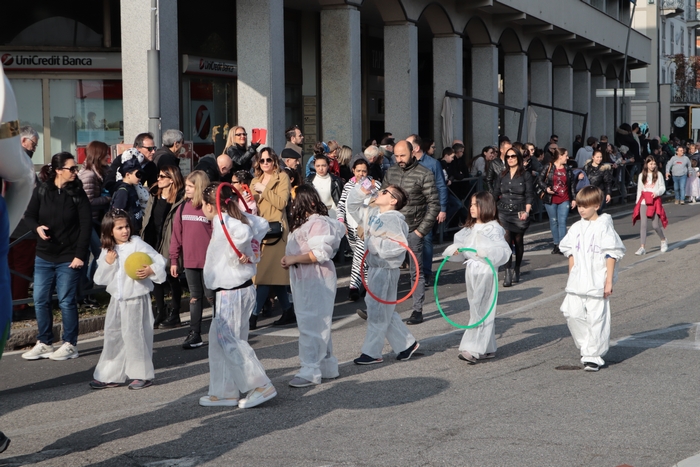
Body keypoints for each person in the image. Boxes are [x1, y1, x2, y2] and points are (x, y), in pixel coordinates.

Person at [198, 183, 277, 408]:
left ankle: (260, 385)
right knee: (221, 341)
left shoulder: (225, 221)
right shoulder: (235, 218)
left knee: (230, 341)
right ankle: (225, 392)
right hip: (238, 289)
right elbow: (261, 224)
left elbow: (243, 234)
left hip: (231, 291)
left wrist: (240, 251)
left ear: (209, 205)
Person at [21, 152, 92, 361]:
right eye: (72, 168)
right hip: (44, 255)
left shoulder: (78, 193)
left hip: (69, 257)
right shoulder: (42, 190)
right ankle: (44, 342)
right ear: (59, 170)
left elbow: (86, 225)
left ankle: (70, 344)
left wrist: (80, 255)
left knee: (66, 301)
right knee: (40, 299)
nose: (76, 171)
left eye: (76, 168)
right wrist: (37, 228)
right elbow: (29, 216)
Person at [90, 209, 166, 390]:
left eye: (126, 227)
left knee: (136, 336)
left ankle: (142, 375)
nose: (125, 231)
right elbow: (99, 279)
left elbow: (159, 260)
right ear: (110, 231)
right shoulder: (108, 250)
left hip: (136, 298)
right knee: (113, 335)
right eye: (119, 228)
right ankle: (109, 375)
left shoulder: (136, 243)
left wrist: (151, 269)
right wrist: (108, 263)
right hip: (117, 300)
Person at [346, 183, 420, 365]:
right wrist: (361, 191)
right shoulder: (373, 213)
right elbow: (352, 207)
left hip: (385, 269)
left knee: (377, 311)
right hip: (374, 268)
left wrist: (375, 245)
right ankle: (407, 344)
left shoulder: (395, 221)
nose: (380, 192)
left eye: (385, 192)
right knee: (382, 309)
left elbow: (398, 247)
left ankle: (372, 352)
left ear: (393, 201)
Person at [281, 185, 344, 387]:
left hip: (315, 278)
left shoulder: (317, 222)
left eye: (295, 200)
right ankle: (326, 366)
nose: (292, 204)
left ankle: (310, 370)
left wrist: (293, 259)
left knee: (311, 324)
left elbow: (320, 253)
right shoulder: (307, 223)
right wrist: (291, 260)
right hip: (306, 277)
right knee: (318, 323)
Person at [558, 186, 626, 372]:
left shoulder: (604, 226)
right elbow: (570, 253)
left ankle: (593, 355)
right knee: (572, 313)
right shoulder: (576, 227)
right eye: (579, 206)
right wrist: (571, 275)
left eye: (585, 206)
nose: (581, 210)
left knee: (597, 317)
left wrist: (609, 281)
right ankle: (586, 345)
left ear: (596, 206)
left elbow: (611, 254)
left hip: (597, 279)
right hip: (578, 279)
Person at [442, 191, 511, 364]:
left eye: (475, 205)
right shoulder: (470, 228)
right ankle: (488, 347)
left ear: (485, 206)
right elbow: (460, 245)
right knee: (476, 306)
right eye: (471, 204)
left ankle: (473, 348)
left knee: (481, 307)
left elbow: (503, 251)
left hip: (486, 270)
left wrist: (486, 253)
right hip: (472, 271)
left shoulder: (493, 228)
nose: (471, 208)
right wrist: (456, 250)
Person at [381, 140, 440, 325]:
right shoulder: (390, 172)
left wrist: (420, 232)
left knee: (416, 272)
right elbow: (382, 198)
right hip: (391, 230)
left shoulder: (424, 174)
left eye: (402, 155)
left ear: (412, 153)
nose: (399, 159)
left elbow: (434, 204)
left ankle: (417, 310)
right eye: (396, 156)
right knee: (385, 270)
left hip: (413, 229)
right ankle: (380, 305)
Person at [169, 170, 214, 349]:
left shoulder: (209, 207)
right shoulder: (182, 207)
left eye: (190, 186)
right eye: (186, 185)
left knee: (211, 297)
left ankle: (221, 330)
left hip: (209, 262)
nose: (186, 189)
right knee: (195, 297)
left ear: (200, 187)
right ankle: (195, 334)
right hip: (189, 262)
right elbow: (176, 236)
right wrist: (174, 260)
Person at [250, 148, 293, 329]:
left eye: (268, 160)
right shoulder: (255, 180)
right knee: (275, 274)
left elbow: (281, 203)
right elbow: (251, 206)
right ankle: (288, 310)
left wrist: (265, 190)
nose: (265, 163)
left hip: (276, 231)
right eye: (262, 160)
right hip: (259, 231)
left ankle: (253, 316)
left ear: (274, 161)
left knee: (264, 275)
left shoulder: (282, 177)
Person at [140, 165, 185, 328]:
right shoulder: (154, 194)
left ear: (171, 180)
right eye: (158, 176)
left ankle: (175, 312)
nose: (158, 179)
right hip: (153, 239)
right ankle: (160, 311)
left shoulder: (180, 199)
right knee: (154, 275)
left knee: (172, 276)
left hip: (170, 240)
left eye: (161, 177)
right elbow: (148, 217)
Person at [406, 134, 447, 288]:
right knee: (411, 242)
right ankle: (415, 274)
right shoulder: (407, 162)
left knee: (426, 240)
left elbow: (441, 186)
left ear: (416, 148)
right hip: (410, 209)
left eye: (408, 144)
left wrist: (442, 209)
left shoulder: (433, 163)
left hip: (428, 208)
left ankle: (426, 274)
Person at [336, 158, 381, 301]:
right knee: (362, 257)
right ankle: (368, 285)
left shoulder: (374, 185)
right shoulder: (348, 185)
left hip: (366, 227)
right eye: (358, 171)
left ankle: (354, 287)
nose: (361, 174)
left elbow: (380, 202)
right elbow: (341, 205)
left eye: (364, 171)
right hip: (350, 227)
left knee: (359, 257)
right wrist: (341, 221)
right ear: (353, 171)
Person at [9, 126, 39, 316]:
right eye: (33, 144)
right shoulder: (23, 161)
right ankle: (18, 305)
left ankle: (11, 303)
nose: (34, 149)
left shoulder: (7, 159)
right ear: (22, 141)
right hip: (23, 223)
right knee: (22, 265)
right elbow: (33, 191)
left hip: (9, 222)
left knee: (10, 265)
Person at [492, 146, 534, 287]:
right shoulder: (502, 175)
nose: (510, 159)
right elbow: (495, 193)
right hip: (503, 211)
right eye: (508, 157)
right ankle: (507, 272)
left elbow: (529, 195)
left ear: (518, 158)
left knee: (518, 241)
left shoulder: (525, 175)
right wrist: (488, 208)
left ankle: (517, 268)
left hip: (519, 211)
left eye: (513, 156)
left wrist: (527, 212)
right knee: (506, 241)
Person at [77, 140, 112, 306]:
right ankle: (85, 292)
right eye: (106, 153)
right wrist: (108, 199)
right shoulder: (89, 175)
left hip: (94, 221)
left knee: (92, 256)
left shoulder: (98, 172)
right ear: (98, 155)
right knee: (99, 254)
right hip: (86, 221)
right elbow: (88, 201)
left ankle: (86, 292)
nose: (108, 156)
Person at [537, 148, 577, 255]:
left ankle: (562, 245)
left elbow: (572, 185)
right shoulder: (548, 166)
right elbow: (540, 180)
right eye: (566, 155)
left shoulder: (567, 169)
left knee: (562, 221)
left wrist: (574, 198)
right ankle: (556, 244)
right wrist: (546, 188)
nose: (567, 158)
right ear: (560, 156)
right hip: (551, 199)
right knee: (553, 221)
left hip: (564, 198)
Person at [632, 156, 668, 256]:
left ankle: (663, 239)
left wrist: (657, 193)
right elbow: (640, 189)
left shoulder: (658, 174)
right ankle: (642, 247)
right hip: (644, 201)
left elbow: (662, 187)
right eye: (650, 164)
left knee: (655, 225)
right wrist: (638, 203)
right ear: (646, 164)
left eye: (654, 164)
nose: (652, 166)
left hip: (654, 201)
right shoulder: (641, 175)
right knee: (643, 224)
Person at [110, 158, 146, 233]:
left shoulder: (132, 187)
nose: (140, 177)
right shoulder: (123, 191)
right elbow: (116, 214)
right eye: (138, 174)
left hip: (134, 229)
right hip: (128, 232)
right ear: (128, 174)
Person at [306, 155, 343, 219]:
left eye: (323, 165)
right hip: (315, 215)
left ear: (328, 166)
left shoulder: (336, 181)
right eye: (318, 166)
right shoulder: (308, 181)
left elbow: (340, 200)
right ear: (314, 166)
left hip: (332, 214)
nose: (321, 168)